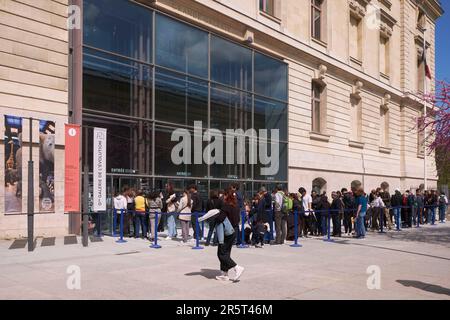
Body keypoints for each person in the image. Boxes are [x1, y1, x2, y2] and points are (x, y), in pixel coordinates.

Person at [214, 187, 244, 282]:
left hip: (227, 232)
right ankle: (225, 274)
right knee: (226, 252)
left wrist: (215, 216)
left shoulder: (226, 206)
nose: (222, 197)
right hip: (234, 230)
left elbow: (220, 219)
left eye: (224, 195)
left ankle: (237, 267)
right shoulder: (236, 206)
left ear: (226, 195)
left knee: (221, 253)